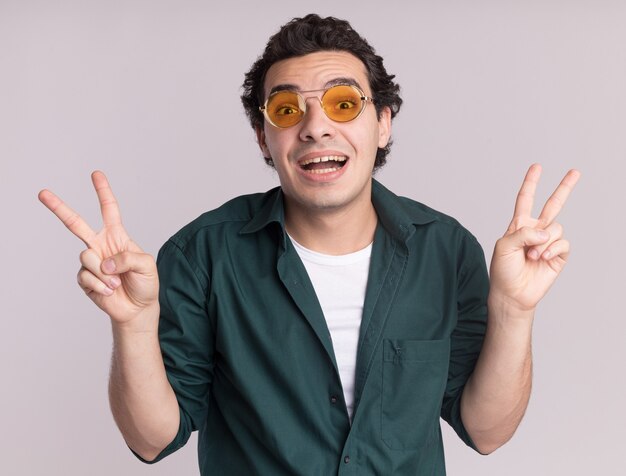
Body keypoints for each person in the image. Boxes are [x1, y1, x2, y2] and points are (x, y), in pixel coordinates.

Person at [39, 14, 580, 476]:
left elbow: (486, 431)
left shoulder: (447, 250)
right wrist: (131, 326)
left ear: (383, 123)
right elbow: (153, 438)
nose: (316, 128)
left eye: (344, 104)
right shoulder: (201, 254)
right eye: (287, 110)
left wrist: (513, 311)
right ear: (263, 137)